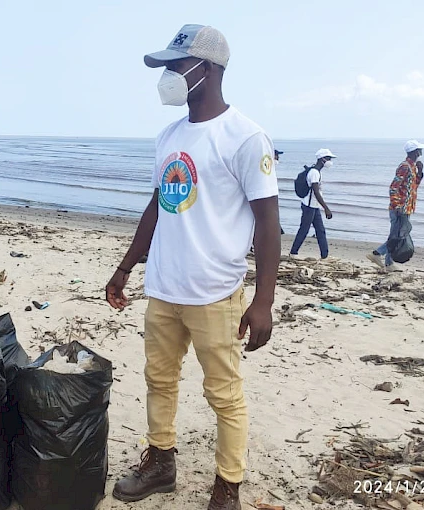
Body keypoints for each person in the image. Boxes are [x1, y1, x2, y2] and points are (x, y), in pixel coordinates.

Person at [106, 24, 280, 510]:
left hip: (215, 293)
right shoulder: (169, 135)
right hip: (163, 289)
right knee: (158, 380)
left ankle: (228, 485)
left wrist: (263, 301)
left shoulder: (246, 138)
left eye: (175, 66)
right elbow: (158, 205)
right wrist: (124, 270)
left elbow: (269, 224)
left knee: (224, 395)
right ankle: (161, 462)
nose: (167, 76)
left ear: (207, 69)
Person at [367, 140, 424, 271]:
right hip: (400, 209)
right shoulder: (404, 166)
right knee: (396, 236)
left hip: (406, 208)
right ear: (415, 152)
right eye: (419, 150)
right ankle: (376, 254)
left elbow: (413, 185)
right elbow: (394, 187)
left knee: (396, 235)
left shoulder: (412, 167)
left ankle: (388, 263)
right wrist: (397, 205)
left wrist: (420, 171)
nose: (421, 152)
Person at [289, 149, 336, 259]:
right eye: (328, 158)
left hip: (314, 206)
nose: (330, 161)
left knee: (320, 231)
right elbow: (316, 192)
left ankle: (324, 255)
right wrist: (326, 208)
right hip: (309, 206)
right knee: (304, 229)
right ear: (322, 159)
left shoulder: (317, 172)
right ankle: (293, 252)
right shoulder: (314, 173)